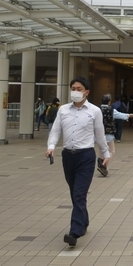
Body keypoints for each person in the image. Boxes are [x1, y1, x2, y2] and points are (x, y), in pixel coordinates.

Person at [46, 76, 109, 247]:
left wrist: (105, 154)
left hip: (86, 156)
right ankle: (83, 222)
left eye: (79, 89)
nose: (75, 91)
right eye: (73, 88)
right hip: (68, 156)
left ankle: (74, 232)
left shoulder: (94, 111)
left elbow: (99, 134)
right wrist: (51, 146)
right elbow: (56, 130)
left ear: (86, 92)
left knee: (79, 194)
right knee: (75, 193)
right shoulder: (63, 110)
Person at [97, 94, 133, 177]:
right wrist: (129, 115)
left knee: (101, 150)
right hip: (108, 133)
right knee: (111, 150)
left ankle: (102, 164)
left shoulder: (97, 109)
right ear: (109, 101)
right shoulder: (111, 110)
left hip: (98, 133)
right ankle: (103, 163)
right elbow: (120, 115)